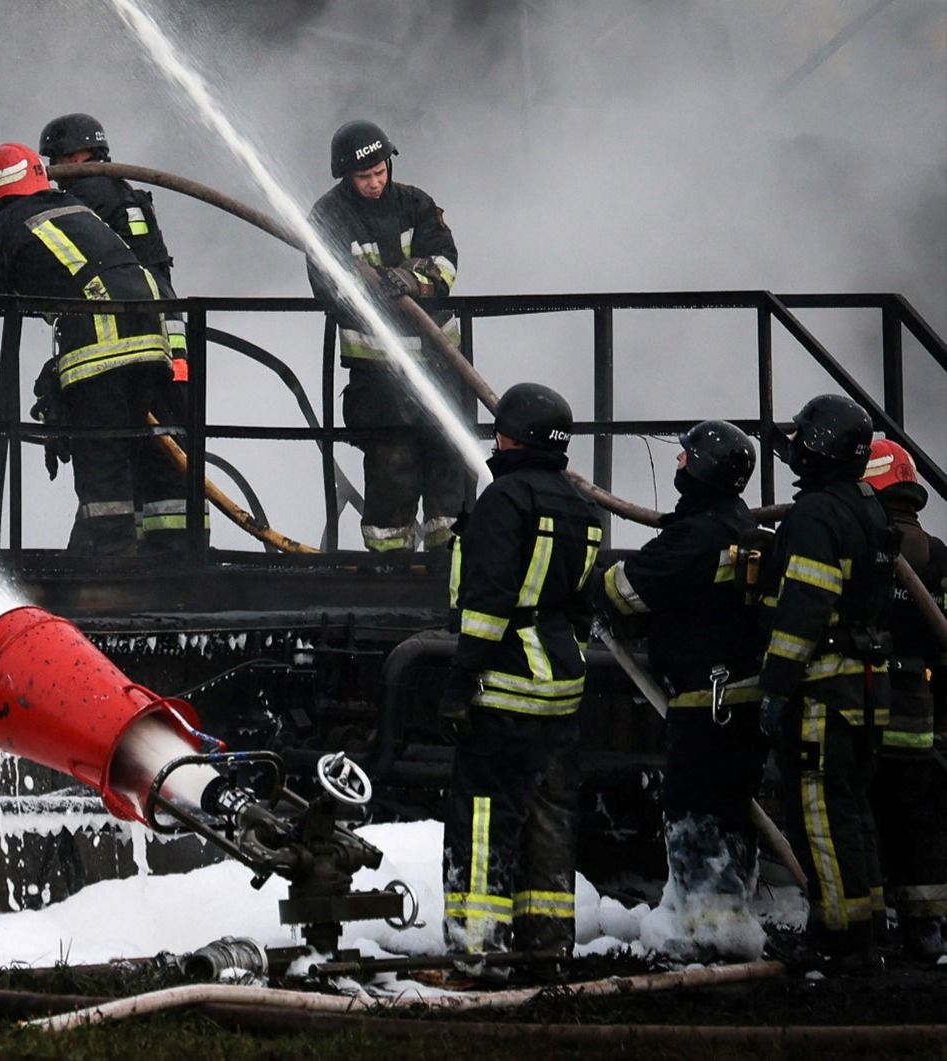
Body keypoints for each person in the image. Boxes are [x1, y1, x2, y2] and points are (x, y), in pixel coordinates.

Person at [0, 141, 181, 556]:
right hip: (152, 342)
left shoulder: (7, 225)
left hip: (100, 347)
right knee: (136, 450)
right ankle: (162, 555)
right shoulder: (72, 208)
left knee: (102, 460)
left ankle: (112, 565)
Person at [438, 382, 604, 959]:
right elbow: (584, 607)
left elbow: (485, 607)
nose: (495, 439)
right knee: (549, 820)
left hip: (506, 689)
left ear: (517, 436)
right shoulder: (582, 506)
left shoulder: (504, 500)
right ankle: (546, 948)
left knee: (484, 817)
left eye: (501, 430)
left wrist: (461, 684)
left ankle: (478, 951)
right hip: (561, 691)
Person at [593, 420, 768, 960]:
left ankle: (712, 935)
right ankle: (732, 917)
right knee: (733, 812)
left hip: (703, 706)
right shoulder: (746, 530)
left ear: (703, 468)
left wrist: (599, 578)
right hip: (745, 702)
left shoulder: (693, 538)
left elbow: (625, 593)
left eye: (685, 456)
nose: (678, 464)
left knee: (694, 813)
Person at [755, 394, 895, 973]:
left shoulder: (815, 515)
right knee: (851, 809)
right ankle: (863, 930)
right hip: (865, 687)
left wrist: (776, 685)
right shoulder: (866, 506)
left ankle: (835, 938)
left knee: (817, 816)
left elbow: (804, 608)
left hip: (822, 690)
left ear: (821, 449)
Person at [39, 113, 203, 549]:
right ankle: (178, 558)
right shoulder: (128, 197)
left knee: (112, 456)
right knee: (166, 456)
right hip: (170, 348)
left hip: (124, 347)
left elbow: (57, 268)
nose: (53, 171)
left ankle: (110, 556)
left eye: (55, 159)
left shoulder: (82, 201)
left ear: (75, 156)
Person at [308, 119, 463, 556]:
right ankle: (391, 565)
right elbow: (329, 288)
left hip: (440, 366)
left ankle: (449, 561)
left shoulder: (416, 204)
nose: (375, 183)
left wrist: (411, 281)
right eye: (364, 177)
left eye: (380, 172)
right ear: (345, 175)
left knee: (449, 464)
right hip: (378, 376)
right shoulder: (329, 216)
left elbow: (446, 265)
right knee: (391, 469)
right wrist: (376, 293)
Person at [862, 439, 947, 960]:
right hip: (920, 709)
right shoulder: (939, 556)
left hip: (864, 703)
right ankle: (928, 929)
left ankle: (873, 925)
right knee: (920, 819)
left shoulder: (864, 545)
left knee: (863, 815)